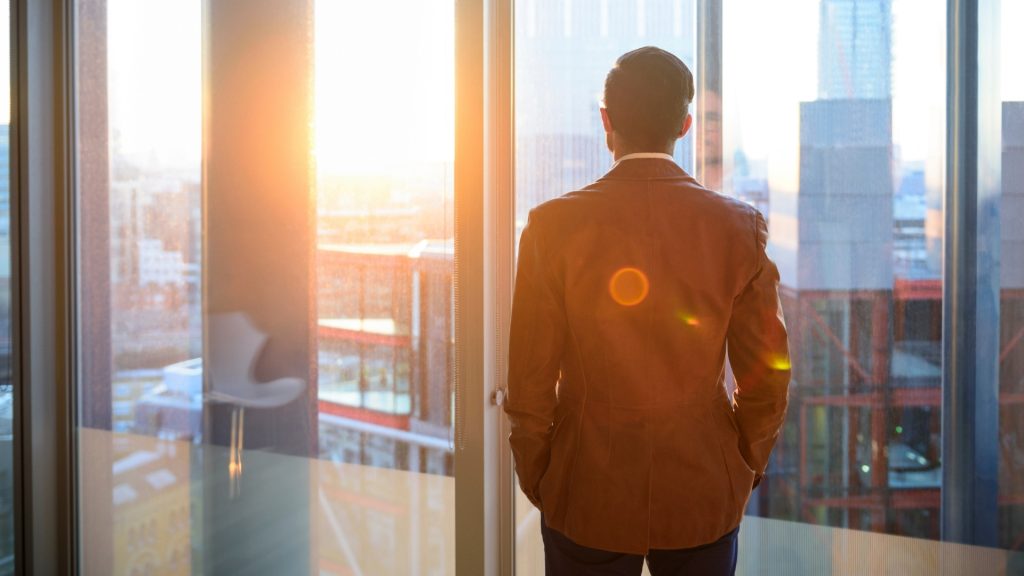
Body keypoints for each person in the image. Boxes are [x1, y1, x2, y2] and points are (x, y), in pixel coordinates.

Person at [504, 46, 791, 575]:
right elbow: (767, 377)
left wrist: (541, 473)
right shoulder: (738, 227)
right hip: (702, 489)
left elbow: (529, 381)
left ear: (606, 121)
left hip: (584, 486)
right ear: (684, 126)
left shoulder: (552, 227)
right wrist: (744, 464)